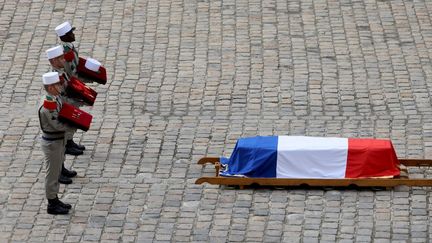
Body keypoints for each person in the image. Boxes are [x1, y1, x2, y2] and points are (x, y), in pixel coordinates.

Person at [46, 46, 84, 184]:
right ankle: (59, 171)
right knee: (59, 149)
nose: (64, 60)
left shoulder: (60, 71)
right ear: (53, 61)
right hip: (61, 110)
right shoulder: (54, 78)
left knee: (62, 146)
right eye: (60, 59)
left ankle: (62, 168)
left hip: (66, 105)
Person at [39, 72, 74, 214]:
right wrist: (74, 125)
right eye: (57, 84)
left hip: (58, 140)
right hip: (52, 142)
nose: (61, 86)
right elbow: (58, 125)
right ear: (51, 88)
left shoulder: (55, 98)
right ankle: (52, 203)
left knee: (56, 170)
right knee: (52, 174)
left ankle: (55, 198)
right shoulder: (48, 105)